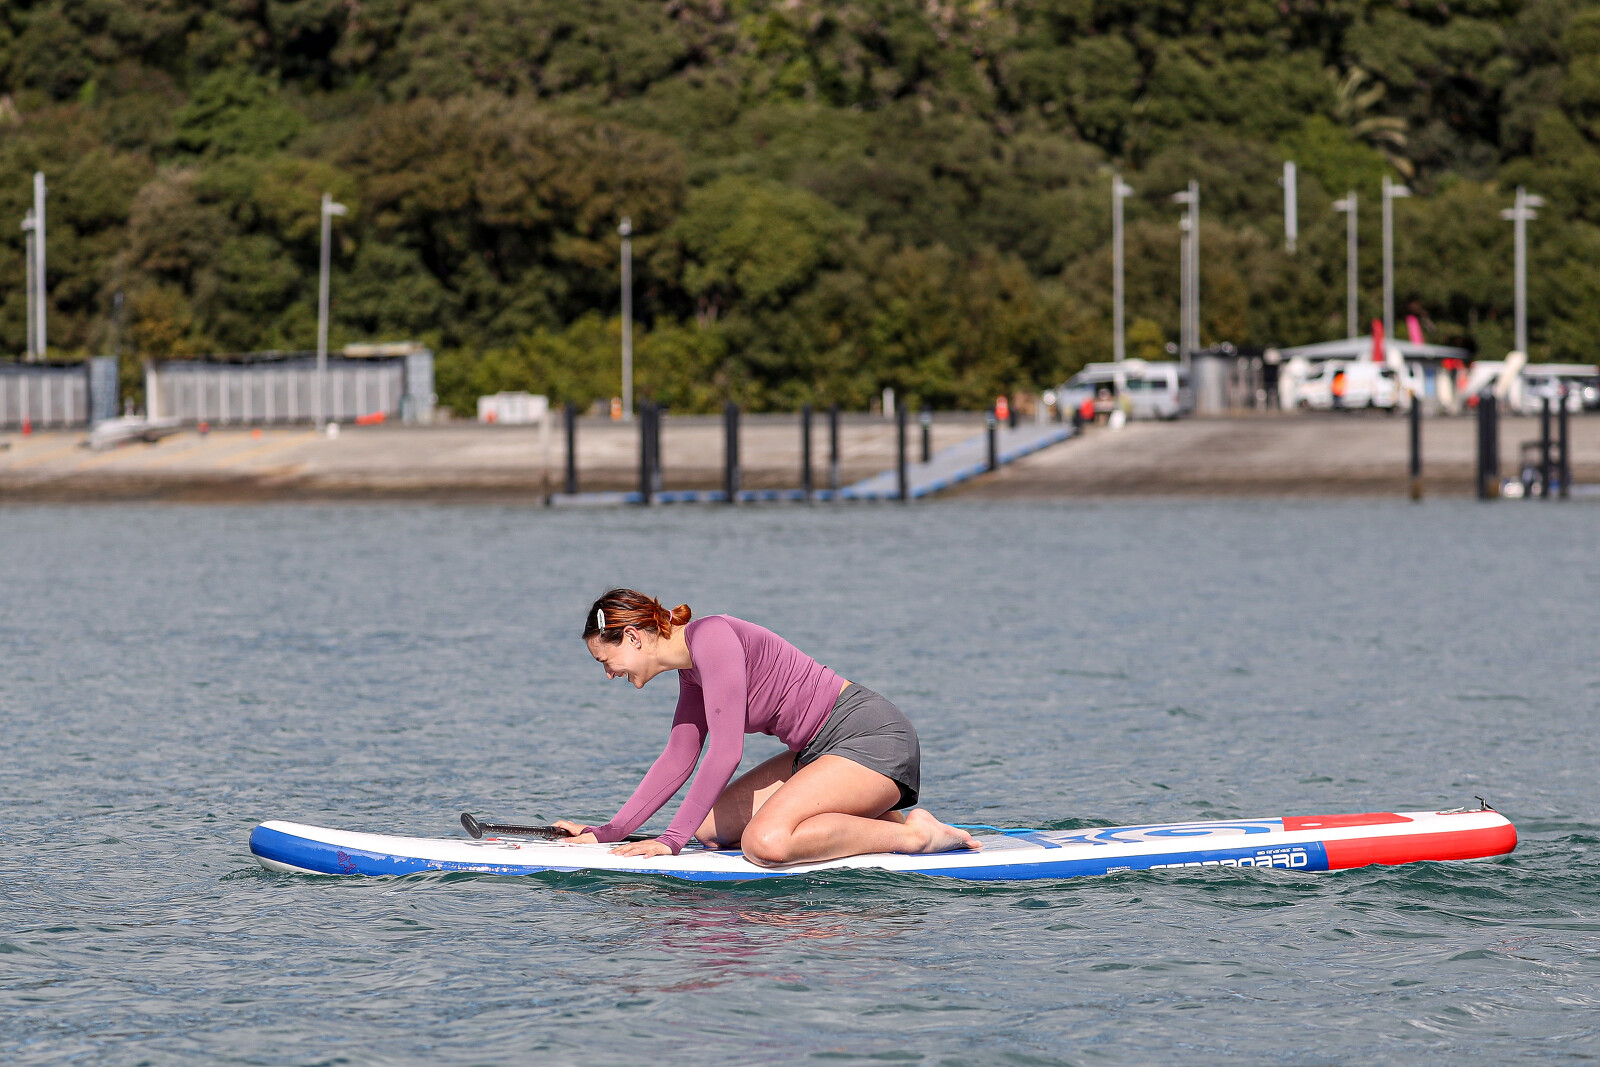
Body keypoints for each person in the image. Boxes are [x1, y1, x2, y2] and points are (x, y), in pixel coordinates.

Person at [552, 589, 980, 867]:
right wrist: (609, 832)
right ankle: (875, 817)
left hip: (873, 739)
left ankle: (916, 835)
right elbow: (679, 757)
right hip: (816, 751)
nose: (608, 673)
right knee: (710, 830)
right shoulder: (691, 670)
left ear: (633, 637)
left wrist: (670, 840)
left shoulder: (712, 637)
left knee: (765, 843)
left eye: (605, 660)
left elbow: (725, 752)